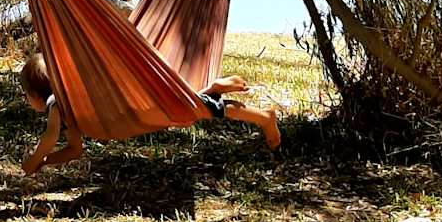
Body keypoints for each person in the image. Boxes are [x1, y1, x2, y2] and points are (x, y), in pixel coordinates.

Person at [18, 51, 280, 176]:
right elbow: (75, 149)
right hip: (131, 108)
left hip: (134, 110)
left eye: (26, 96)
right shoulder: (70, 106)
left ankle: (252, 111)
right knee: (197, 107)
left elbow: (50, 137)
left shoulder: (56, 102)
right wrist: (46, 163)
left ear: (35, 94)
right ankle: (220, 95)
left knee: (193, 110)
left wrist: (34, 160)